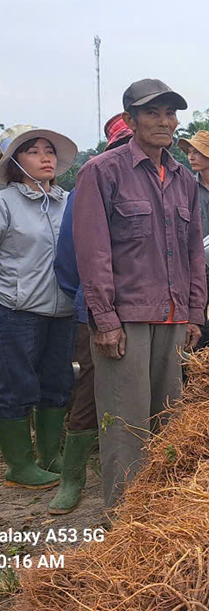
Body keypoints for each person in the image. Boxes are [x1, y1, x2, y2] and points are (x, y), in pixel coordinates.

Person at [74, 78, 206, 506]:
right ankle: (124, 522)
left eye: (170, 113)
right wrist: (105, 321)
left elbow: (194, 253)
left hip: (173, 318)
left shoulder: (185, 178)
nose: (164, 122)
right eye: (153, 113)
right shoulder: (101, 171)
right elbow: (92, 253)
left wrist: (194, 314)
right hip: (126, 320)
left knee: (169, 421)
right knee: (126, 427)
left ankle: (162, 512)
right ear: (130, 120)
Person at [48, 115, 133, 513]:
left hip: (145, 308)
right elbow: (68, 259)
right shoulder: (88, 187)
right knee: (89, 391)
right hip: (97, 308)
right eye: (122, 145)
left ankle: (135, 472)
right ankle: (73, 476)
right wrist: (90, 301)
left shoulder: (162, 187)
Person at [0, 125, 78, 490]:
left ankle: (50, 456)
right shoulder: (5, 203)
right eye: (34, 151)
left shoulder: (70, 202)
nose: (46, 157)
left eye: (50, 150)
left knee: (58, 382)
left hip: (63, 308)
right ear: (16, 162)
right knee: (17, 386)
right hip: (18, 310)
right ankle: (19, 464)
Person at [179, 130, 209, 346]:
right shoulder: (184, 187)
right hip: (195, 265)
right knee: (197, 321)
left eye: (198, 152)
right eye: (190, 151)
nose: (191, 156)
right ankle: (198, 368)